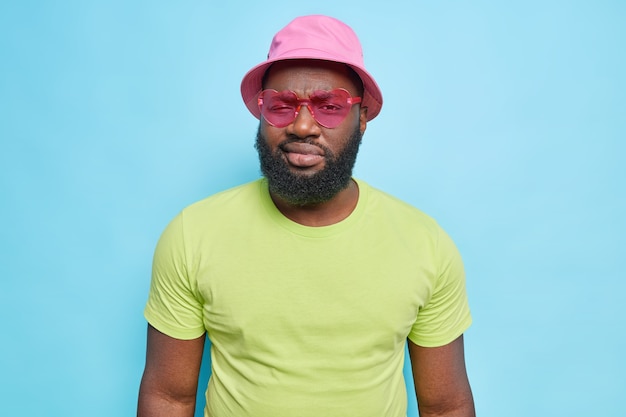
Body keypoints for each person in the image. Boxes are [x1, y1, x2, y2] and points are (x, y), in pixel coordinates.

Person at [137, 15, 475, 417]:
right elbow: (168, 397)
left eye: (329, 106)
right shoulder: (193, 234)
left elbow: (445, 406)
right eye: (280, 105)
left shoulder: (424, 244)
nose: (301, 126)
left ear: (362, 117)